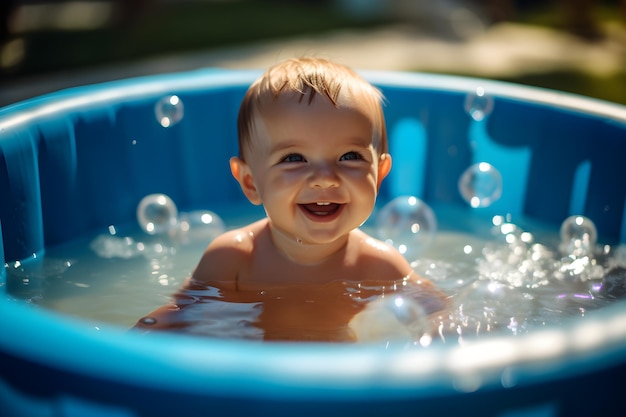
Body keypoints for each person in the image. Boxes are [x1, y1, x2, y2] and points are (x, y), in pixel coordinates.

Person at [134, 57, 448, 341]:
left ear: (379, 175)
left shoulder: (379, 265)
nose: (325, 177)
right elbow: (178, 318)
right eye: (294, 158)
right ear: (250, 182)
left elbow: (442, 318)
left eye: (350, 156)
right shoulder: (233, 260)